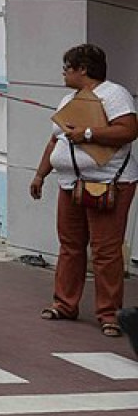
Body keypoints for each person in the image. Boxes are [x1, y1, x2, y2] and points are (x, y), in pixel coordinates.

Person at [30, 43, 138, 337]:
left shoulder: (114, 95)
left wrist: (89, 133)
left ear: (83, 70)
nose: (63, 72)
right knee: (70, 245)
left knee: (105, 251)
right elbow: (56, 141)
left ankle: (110, 314)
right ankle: (64, 303)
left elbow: (128, 130)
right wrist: (41, 174)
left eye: (68, 67)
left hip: (109, 182)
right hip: (71, 182)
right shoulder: (68, 100)